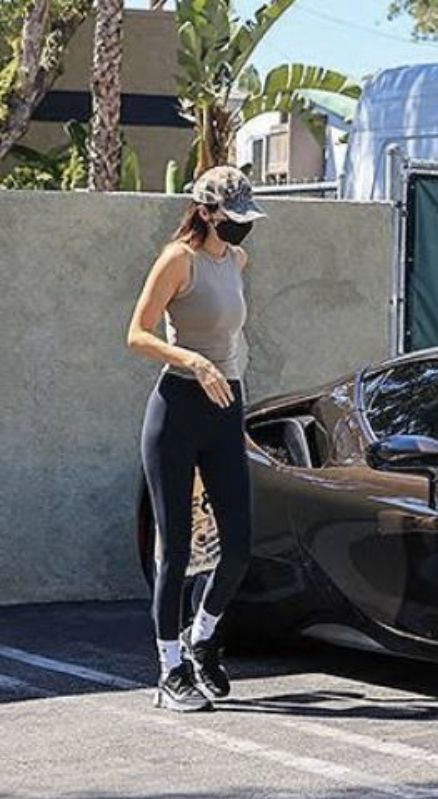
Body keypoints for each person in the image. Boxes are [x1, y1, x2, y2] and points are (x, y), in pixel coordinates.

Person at [126, 166, 266, 712]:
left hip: (224, 407)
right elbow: (136, 333)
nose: (241, 228)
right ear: (206, 212)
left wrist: (223, 371)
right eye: (233, 218)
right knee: (176, 549)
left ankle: (202, 637)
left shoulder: (236, 260)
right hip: (178, 407)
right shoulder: (177, 259)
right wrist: (191, 359)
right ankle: (169, 671)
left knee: (238, 546)